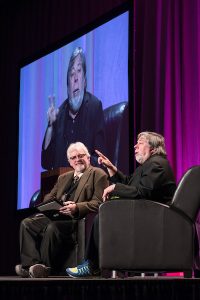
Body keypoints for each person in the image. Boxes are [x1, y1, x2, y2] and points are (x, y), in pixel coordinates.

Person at [66, 131, 177, 277]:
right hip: (148, 213)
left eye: (141, 142)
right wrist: (111, 168)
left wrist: (115, 188)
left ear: (154, 148)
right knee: (104, 215)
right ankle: (100, 265)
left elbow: (142, 191)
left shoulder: (156, 164)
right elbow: (130, 184)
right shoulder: (149, 165)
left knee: (104, 217)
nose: (135, 146)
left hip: (155, 218)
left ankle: (94, 265)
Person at [15, 142, 109, 278]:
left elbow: (99, 203)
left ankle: (44, 268)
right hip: (56, 213)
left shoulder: (98, 174)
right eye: (73, 157)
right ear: (70, 162)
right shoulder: (63, 177)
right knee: (27, 223)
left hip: (74, 218)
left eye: (81, 156)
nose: (77, 159)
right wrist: (55, 204)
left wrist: (76, 207)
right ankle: (31, 265)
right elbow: (48, 197)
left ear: (88, 157)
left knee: (52, 227)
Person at [41, 46, 106, 170]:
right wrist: (50, 126)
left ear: (85, 81)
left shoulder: (94, 107)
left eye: (79, 71)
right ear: (68, 85)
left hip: (85, 182)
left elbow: (101, 159)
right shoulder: (59, 114)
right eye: (71, 74)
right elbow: (46, 163)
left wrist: (80, 160)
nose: (75, 78)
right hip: (62, 184)